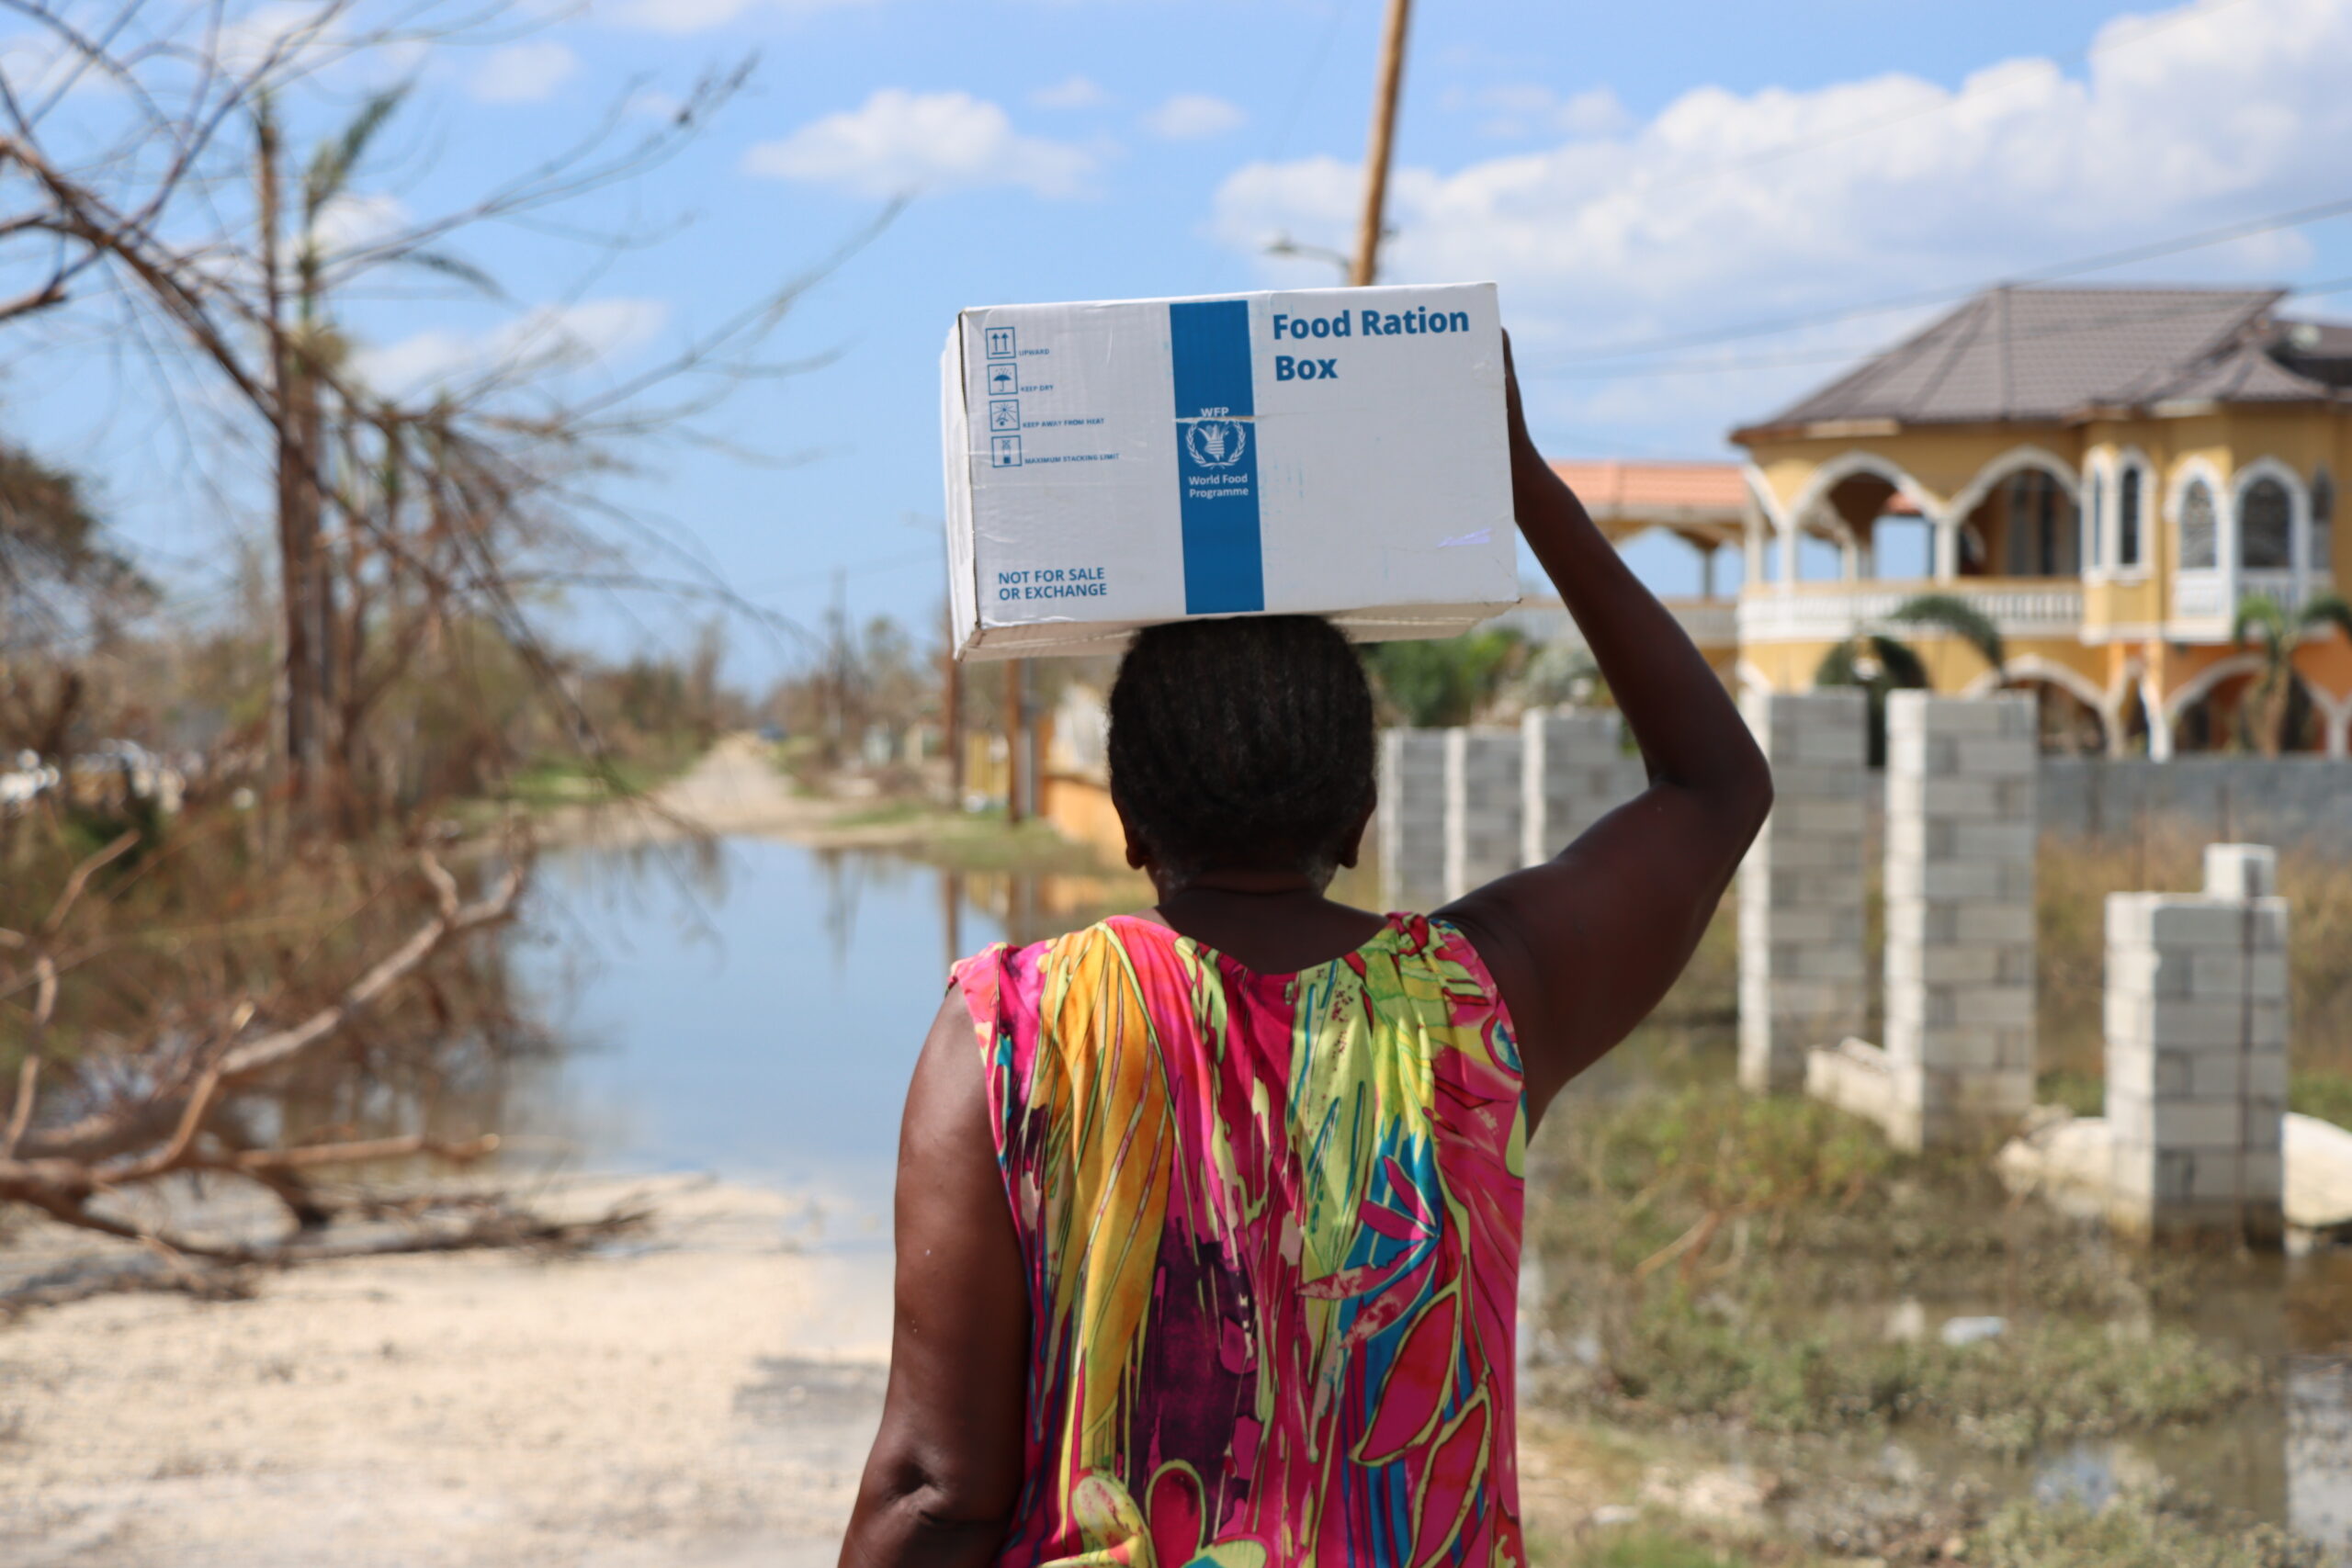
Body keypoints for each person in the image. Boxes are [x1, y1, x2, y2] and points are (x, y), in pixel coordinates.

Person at [839, 342, 1773, 1568]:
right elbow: (1713, 788)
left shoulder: (1013, 1034)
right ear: (1358, 821)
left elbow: (934, 1489)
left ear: (1127, 823)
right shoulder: (1478, 1006)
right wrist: (1521, 480)